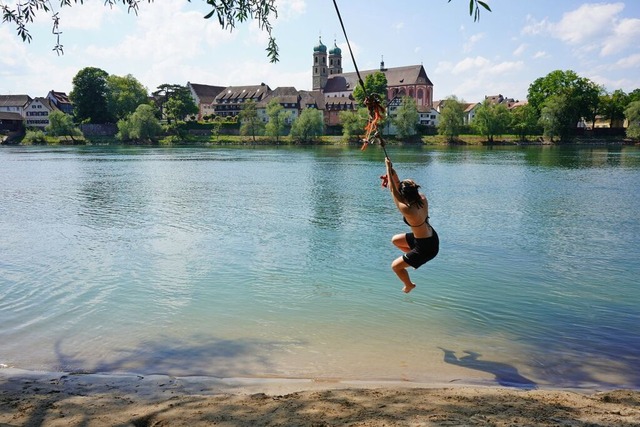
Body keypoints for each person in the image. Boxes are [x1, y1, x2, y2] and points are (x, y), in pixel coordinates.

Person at [384, 157, 439, 293]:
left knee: (396, 267)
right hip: (430, 238)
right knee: (395, 240)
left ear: (404, 196)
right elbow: (399, 188)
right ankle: (414, 260)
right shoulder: (422, 199)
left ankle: (409, 285)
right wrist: (392, 171)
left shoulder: (408, 210)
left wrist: (387, 168)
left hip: (425, 248)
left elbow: (394, 191)